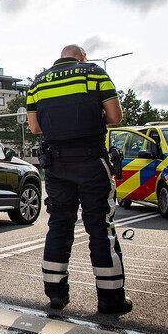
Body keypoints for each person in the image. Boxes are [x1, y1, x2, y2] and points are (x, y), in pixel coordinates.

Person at [26, 44, 132, 314]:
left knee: (60, 225)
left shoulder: (38, 82)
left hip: (56, 165)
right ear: (81, 57)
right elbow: (115, 116)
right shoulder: (94, 73)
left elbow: (35, 127)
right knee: (100, 225)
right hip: (90, 161)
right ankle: (110, 298)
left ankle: (56, 295)